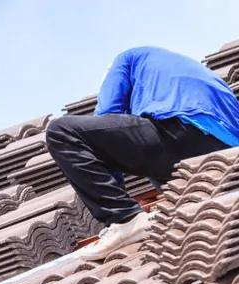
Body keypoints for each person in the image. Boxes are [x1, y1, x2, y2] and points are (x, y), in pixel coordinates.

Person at [47, 46, 239, 260]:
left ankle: (125, 220)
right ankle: (182, 206)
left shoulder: (125, 59)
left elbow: (107, 114)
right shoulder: (186, 73)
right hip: (227, 154)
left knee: (61, 131)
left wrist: (114, 184)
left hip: (183, 130)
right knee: (152, 151)